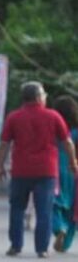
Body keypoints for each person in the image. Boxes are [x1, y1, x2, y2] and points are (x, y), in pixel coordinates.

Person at [0, 81, 77, 258]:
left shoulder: (14, 117)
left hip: (20, 171)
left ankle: (15, 246)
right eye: (44, 95)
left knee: (17, 208)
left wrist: (0, 166)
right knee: (44, 210)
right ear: (38, 97)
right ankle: (41, 249)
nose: (45, 97)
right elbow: (68, 142)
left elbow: (4, 144)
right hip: (46, 171)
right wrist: (73, 163)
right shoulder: (53, 116)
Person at [52, 96, 78, 252]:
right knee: (73, 209)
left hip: (54, 167)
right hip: (73, 169)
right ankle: (66, 243)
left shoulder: (54, 129)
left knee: (54, 203)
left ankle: (57, 228)